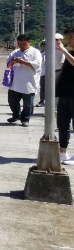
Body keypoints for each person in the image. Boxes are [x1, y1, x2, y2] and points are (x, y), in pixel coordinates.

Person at [6, 33, 42, 127]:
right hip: (15, 82)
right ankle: (16, 115)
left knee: (28, 104)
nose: (21, 46)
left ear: (29, 42)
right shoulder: (15, 52)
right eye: (19, 44)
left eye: (23, 44)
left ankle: (25, 118)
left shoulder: (35, 52)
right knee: (12, 101)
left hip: (29, 83)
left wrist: (21, 61)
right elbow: (8, 63)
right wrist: (12, 61)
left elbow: (37, 64)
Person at [56, 28, 74, 164]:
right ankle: (62, 152)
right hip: (64, 94)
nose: (69, 40)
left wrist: (64, 51)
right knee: (62, 124)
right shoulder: (70, 52)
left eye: (71, 37)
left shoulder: (68, 53)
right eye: (67, 38)